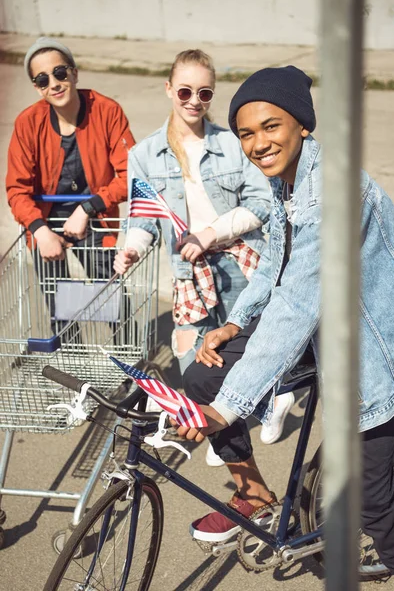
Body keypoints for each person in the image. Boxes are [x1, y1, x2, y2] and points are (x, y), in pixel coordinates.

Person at [174, 66, 394, 586]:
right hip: (323, 333)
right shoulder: (289, 181)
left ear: (301, 124)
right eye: (246, 133)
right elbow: (277, 262)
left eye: (270, 127)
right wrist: (235, 321)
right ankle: (253, 495)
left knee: (374, 501)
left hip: (371, 355)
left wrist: (226, 410)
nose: (258, 143)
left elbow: (298, 303)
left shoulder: (334, 195)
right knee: (204, 376)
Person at [113, 50, 290, 465]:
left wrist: (211, 232)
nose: (194, 100)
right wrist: (132, 248)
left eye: (204, 92)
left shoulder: (231, 144)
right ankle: (231, 438)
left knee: (247, 354)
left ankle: (270, 402)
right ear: (169, 89)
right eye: (186, 90)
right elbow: (143, 216)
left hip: (239, 263)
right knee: (194, 360)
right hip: (188, 274)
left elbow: (262, 202)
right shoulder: (144, 154)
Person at [6, 37, 135, 336]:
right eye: (42, 79)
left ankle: (128, 365)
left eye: (60, 73)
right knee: (60, 304)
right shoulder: (28, 123)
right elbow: (17, 189)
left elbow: (131, 174)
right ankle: (72, 365)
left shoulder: (106, 111)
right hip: (45, 222)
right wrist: (39, 231)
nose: (54, 83)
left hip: (94, 219)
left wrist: (87, 209)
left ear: (74, 73)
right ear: (37, 87)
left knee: (113, 300)